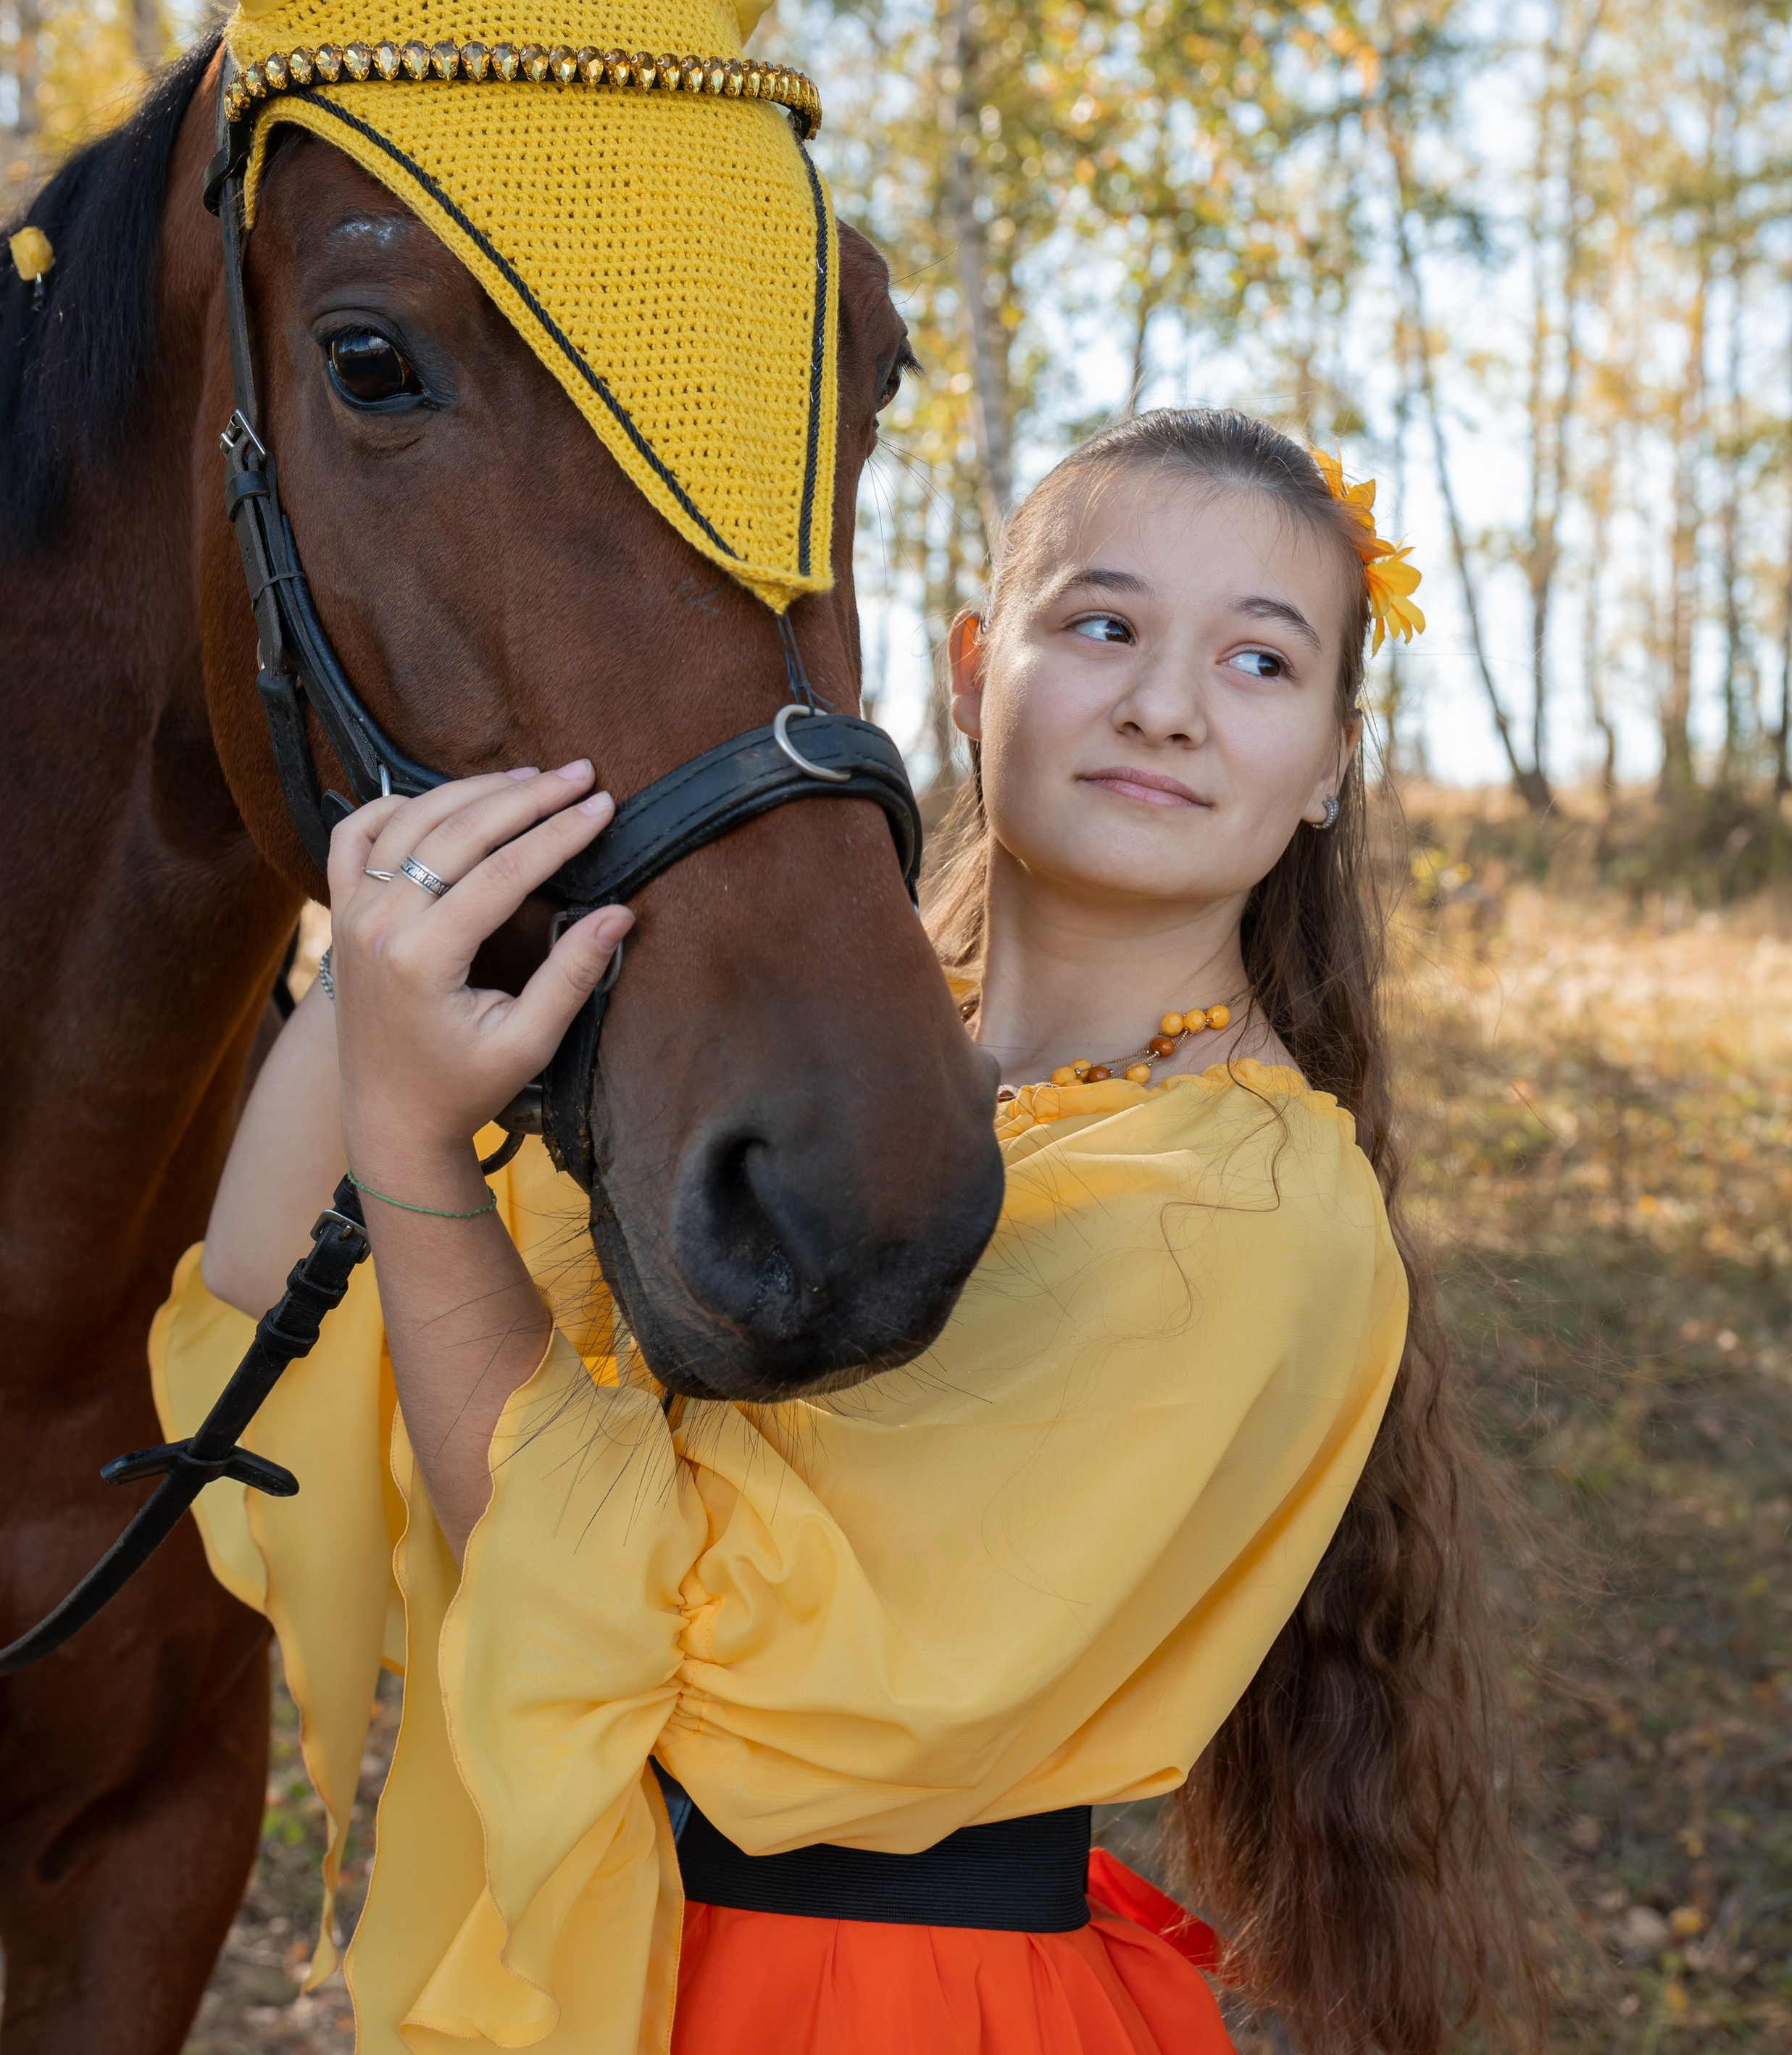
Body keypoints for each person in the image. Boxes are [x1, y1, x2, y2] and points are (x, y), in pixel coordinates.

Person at [158, 407, 1540, 2055]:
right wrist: (386, 927)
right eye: (1100, 625)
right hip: (595, 1965)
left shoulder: (1246, 1209)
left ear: (1326, 760)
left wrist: (411, 1143)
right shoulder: (803, 1104)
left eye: (1257, 662)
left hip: (863, 2008)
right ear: (970, 674)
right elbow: (286, 1336)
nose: (1161, 706)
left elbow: (691, 1682)